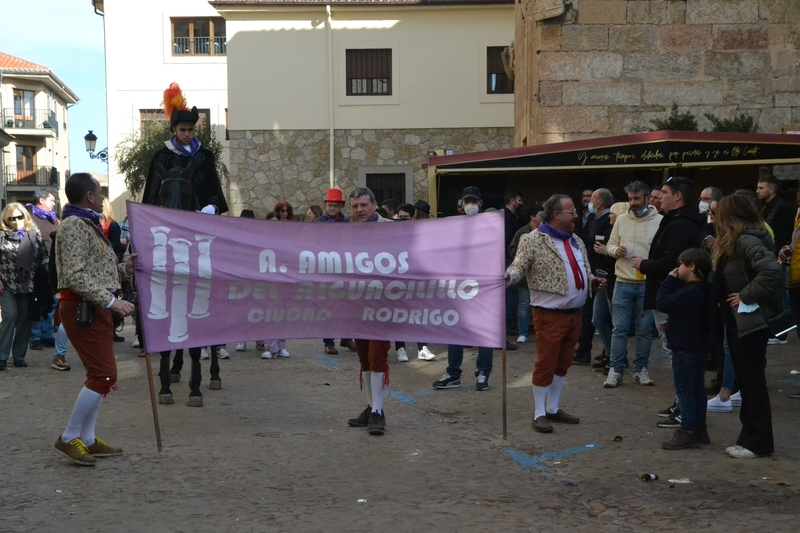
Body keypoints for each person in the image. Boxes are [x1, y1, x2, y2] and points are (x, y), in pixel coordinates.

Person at [53, 173, 136, 465]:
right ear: (89, 196)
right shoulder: (77, 225)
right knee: (104, 374)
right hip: (82, 308)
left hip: (89, 307)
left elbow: (95, 270)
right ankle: (68, 436)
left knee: (99, 375)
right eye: (100, 192)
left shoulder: (82, 223)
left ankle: (86, 439)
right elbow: (75, 275)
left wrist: (125, 268)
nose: (102, 198)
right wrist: (114, 302)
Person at [506, 194, 603, 433]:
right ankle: (539, 412)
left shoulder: (576, 240)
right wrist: (508, 276)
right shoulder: (533, 239)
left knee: (564, 362)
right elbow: (519, 266)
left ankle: (553, 408)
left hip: (574, 312)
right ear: (557, 215)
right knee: (546, 362)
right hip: (549, 313)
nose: (576, 215)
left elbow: (580, 270)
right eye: (571, 212)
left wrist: (592, 281)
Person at [714, 194, 782, 458]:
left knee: (753, 381)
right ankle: (749, 437)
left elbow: (772, 272)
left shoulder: (745, 239)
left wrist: (745, 294)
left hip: (750, 320)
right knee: (747, 380)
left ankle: (758, 443)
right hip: (740, 320)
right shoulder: (735, 240)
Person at [633, 176, 705, 388]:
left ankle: (684, 404)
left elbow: (672, 262)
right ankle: (684, 402)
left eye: (664, 192)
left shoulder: (680, 225)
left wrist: (643, 264)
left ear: (678, 196)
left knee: (676, 351)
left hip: (674, 295)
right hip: (677, 295)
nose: (659, 197)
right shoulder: (677, 220)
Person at [434, 187, 496, 391]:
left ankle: (483, 374)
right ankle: (453, 374)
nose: (470, 205)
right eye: (466, 201)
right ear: (461, 203)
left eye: (474, 201)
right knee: (455, 331)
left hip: (483, 287)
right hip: (458, 287)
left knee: (484, 332)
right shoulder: (452, 226)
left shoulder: (490, 227)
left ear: (480, 203)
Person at [604, 181, 662, 388]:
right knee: (619, 329)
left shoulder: (660, 222)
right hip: (623, 282)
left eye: (637, 199)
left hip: (648, 283)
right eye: (630, 199)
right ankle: (615, 369)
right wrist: (614, 251)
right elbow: (610, 244)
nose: (633, 203)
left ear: (647, 198)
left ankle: (640, 369)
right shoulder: (621, 220)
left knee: (644, 330)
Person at [345, 187, 392, 436]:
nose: (359, 210)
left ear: (375, 205)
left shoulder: (391, 229)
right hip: (357, 302)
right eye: (355, 206)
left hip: (383, 303)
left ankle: (378, 412)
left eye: (363, 205)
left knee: (377, 357)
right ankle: (371, 406)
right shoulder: (347, 232)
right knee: (364, 357)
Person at [142, 83, 228, 216]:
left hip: (201, 219)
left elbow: (214, 190)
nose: (187, 134)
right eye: (183, 130)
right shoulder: (161, 156)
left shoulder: (205, 155)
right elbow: (151, 194)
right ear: (174, 130)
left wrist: (212, 206)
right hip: (169, 219)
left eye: (190, 129)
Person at [657, 248, 713, 450]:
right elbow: (688, 314)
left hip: (685, 347)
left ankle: (687, 430)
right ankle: (699, 428)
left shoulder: (690, 291)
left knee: (685, 390)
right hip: (699, 346)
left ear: (692, 267)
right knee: (697, 388)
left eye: (681, 264)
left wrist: (669, 281)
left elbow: (663, 302)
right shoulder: (704, 290)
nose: (677, 268)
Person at [0, 203, 47, 370]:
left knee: (24, 319)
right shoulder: (1, 235)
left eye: (19, 217)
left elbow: (43, 257)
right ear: (6, 219)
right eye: (11, 218)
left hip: (28, 283)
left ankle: (19, 356)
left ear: (25, 216)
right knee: (10, 316)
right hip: (5, 283)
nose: (16, 221)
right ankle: (2, 357)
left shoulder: (33, 234)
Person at [314, 188, 357, 355]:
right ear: (326, 206)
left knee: (345, 305)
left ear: (341, 207)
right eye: (330, 205)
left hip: (343, 269)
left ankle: (346, 338)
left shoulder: (346, 224)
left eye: (336, 206)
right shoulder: (319, 223)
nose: (332, 208)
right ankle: (329, 342)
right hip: (325, 269)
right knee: (328, 307)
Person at [574, 188, 613, 364]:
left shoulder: (607, 220)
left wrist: (575, 234)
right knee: (594, 316)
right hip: (591, 269)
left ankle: (598, 352)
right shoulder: (593, 218)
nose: (589, 202)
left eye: (592, 199)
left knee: (596, 316)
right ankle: (606, 352)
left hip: (600, 273)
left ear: (601, 202)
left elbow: (597, 244)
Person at [27, 188, 58, 352]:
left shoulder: (53, 219)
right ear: (41, 200)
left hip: (53, 267)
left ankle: (47, 335)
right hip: (37, 268)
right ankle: (35, 337)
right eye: (51, 200)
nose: (54, 203)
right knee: (37, 302)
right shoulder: (29, 219)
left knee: (51, 302)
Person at [260, 201, 293, 359]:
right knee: (270, 314)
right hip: (268, 281)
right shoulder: (261, 240)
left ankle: (281, 346)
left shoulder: (285, 240)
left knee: (283, 314)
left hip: (283, 281)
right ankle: (270, 347)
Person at [508, 204, 544, 343]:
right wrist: (523, 256)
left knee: (541, 305)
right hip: (524, 277)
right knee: (524, 304)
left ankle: (541, 332)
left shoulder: (546, 232)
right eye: (541, 215)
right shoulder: (522, 233)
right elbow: (511, 249)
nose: (543, 217)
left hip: (541, 276)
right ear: (532, 217)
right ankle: (522, 332)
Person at [503, 190, 523, 336]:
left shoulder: (509, 216)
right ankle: (509, 323)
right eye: (519, 200)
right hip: (508, 259)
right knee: (512, 293)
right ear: (512, 201)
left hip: (506, 258)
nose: (521, 203)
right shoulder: (507, 218)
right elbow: (508, 239)